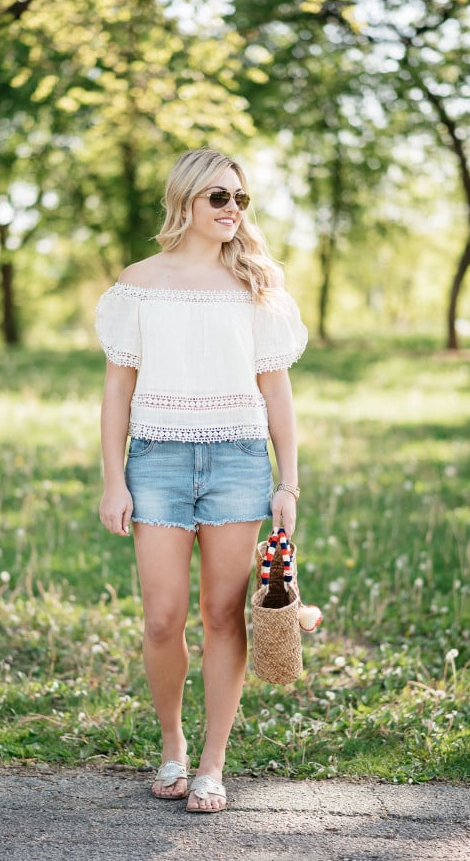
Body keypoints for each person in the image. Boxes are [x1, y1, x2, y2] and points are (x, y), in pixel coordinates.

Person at [95, 148, 307, 813]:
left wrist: (288, 482)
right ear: (186, 199)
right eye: (219, 197)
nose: (231, 211)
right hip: (155, 460)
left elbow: (279, 394)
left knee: (222, 614)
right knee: (163, 618)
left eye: (240, 200)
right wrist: (113, 479)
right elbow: (116, 390)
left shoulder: (256, 283)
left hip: (239, 461)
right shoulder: (139, 283)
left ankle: (213, 761)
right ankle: (173, 744)